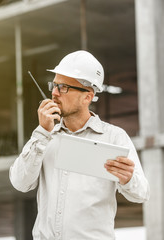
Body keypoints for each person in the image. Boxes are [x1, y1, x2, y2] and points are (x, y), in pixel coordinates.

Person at [9, 50, 150, 240]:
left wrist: (128, 178)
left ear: (87, 97)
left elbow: (141, 194)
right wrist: (42, 132)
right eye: (54, 84)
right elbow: (20, 183)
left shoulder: (113, 137)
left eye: (63, 87)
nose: (54, 92)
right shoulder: (45, 137)